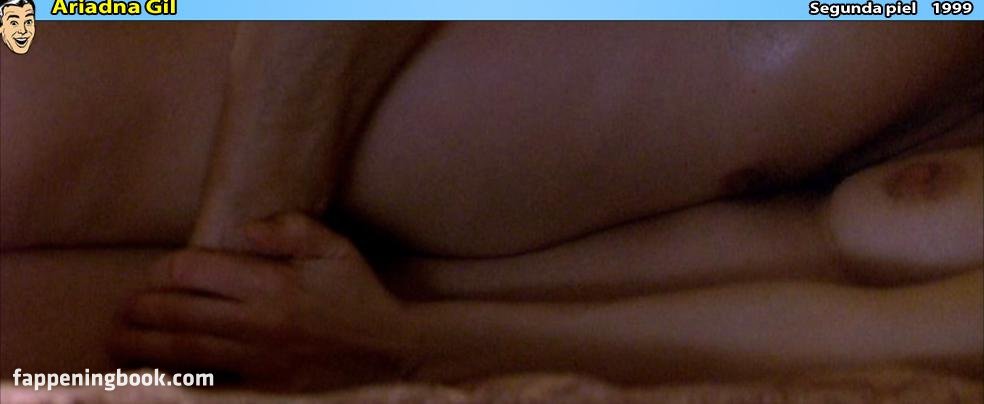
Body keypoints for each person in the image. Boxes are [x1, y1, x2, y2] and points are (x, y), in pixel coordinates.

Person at [1, 22, 981, 391]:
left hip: (342, 305)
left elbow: (880, 330)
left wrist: (409, 337)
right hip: (202, 116)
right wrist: (249, 222)